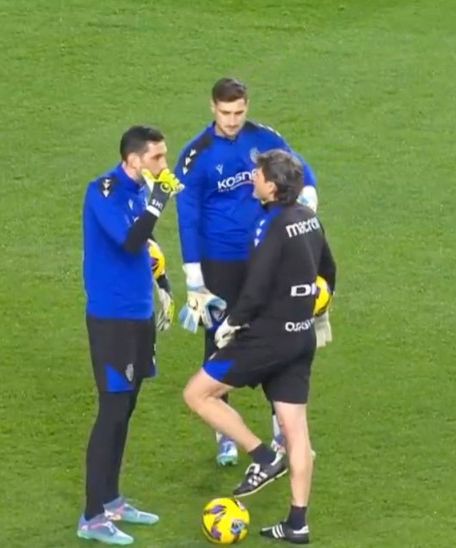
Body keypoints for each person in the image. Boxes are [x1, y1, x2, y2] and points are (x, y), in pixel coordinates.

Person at [182, 149, 336, 544]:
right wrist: (311, 304)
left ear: (272, 185)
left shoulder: (273, 225)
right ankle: (297, 523)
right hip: (301, 335)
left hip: (267, 338)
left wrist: (229, 326)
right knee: (296, 429)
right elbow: (329, 273)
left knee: (198, 394)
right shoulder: (309, 219)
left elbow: (256, 287)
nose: (252, 176)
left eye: (258, 173)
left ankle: (264, 458)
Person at [174, 77, 321, 466]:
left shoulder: (265, 138)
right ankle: (225, 431)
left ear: (247, 106)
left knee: (271, 334)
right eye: (226, 113)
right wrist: (194, 278)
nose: (234, 120)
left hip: (266, 254)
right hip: (220, 261)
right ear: (212, 108)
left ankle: (280, 426)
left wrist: (306, 210)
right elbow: (187, 217)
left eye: (239, 112)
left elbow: (304, 174)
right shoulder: (197, 154)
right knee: (220, 340)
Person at [78, 125, 183, 545]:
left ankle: (112, 499)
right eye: (157, 157)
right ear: (133, 159)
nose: (164, 164)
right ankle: (91, 516)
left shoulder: (140, 190)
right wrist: (158, 203)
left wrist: (164, 286)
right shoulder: (102, 190)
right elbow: (128, 240)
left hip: (138, 315)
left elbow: (148, 246)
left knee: (129, 407)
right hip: (112, 319)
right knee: (112, 411)